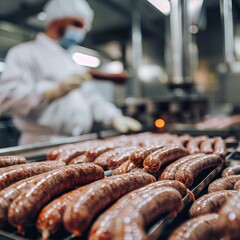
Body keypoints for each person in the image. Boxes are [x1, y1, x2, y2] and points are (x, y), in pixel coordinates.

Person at [0, 0, 142, 145]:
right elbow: (7, 98)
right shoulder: (23, 53)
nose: (81, 32)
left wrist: (113, 117)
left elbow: (91, 99)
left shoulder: (72, 61)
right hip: (40, 143)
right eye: (77, 24)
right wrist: (50, 91)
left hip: (78, 142)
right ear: (58, 21)